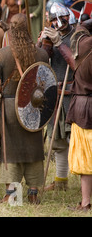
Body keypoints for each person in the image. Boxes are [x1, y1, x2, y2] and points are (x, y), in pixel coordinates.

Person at [0, 13, 49, 204]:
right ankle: (33, 192)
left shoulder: (1, 55)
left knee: (10, 150)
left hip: (11, 108)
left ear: (10, 31)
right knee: (33, 147)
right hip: (35, 107)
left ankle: (13, 195)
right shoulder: (41, 54)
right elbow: (46, 84)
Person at [37, 2, 75, 192]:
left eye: (61, 17)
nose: (58, 22)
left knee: (76, 140)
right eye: (53, 19)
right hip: (57, 94)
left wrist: (60, 43)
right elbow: (41, 61)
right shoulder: (51, 36)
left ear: (69, 15)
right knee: (58, 141)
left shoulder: (77, 36)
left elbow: (75, 62)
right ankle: (61, 182)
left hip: (74, 95)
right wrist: (43, 43)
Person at [65, 17, 92, 212]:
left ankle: (85, 203)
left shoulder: (80, 44)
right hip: (85, 106)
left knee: (86, 160)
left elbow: (79, 30)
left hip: (83, 106)